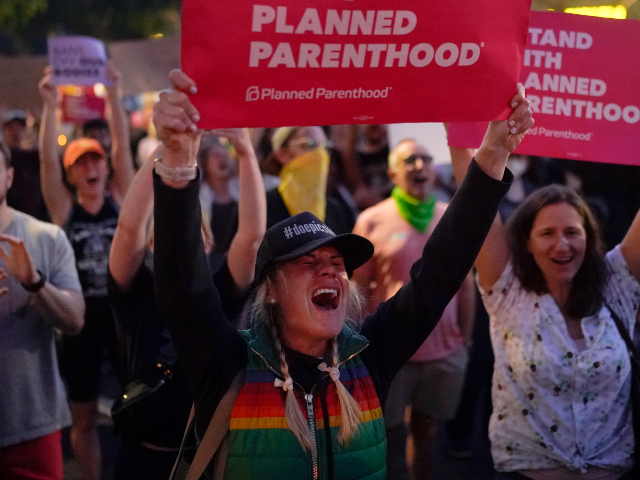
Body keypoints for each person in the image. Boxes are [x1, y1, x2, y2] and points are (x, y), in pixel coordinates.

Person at [150, 69, 532, 479]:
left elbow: (441, 269)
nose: (330, 273)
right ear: (273, 289)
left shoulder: (368, 357)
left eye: (337, 265)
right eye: (309, 264)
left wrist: (492, 154)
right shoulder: (229, 364)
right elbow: (183, 289)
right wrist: (176, 162)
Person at [450, 146, 640, 479]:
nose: (562, 245)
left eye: (572, 232)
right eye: (547, 234)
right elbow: (475, 201)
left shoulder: (617, 284)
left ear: (589, 237)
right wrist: (457, 135)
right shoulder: (508, 291)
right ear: (527, 242)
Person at [107, 127, 265, 479]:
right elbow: (129, 227)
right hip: (141, 458)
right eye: (163, 235)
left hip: (203, 457)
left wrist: (244, 151)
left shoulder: (218, 291)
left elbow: (252, 235)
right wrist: (167, 147)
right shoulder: (135, 288)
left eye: (191, 235)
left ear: (207, 243)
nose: (176, 245)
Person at [352, 138, 476, 480]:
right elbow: (357, 290)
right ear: (392, 172)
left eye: (425, 159)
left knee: (427, 431)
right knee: (384, 436)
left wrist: (465, 340)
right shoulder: (371, 221)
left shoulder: (452, 217)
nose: (419, 165)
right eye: (409, 160)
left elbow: (467, 285)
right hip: (388, 354)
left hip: (443, 353)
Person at [38, 64, 135, 480]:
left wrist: (113, 94)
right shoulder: (65, 210)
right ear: (71, 173)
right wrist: (47, 105)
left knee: (137, 408)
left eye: (95, 160)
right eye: (80, 163)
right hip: (80, 322)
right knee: (83, 415)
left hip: (121, 316)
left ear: (105, 168)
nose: (90, 168)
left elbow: (124, 151)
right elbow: (44, 158)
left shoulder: (119, 198)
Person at [0, 142, 85, 480]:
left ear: (8, 177)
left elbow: (75, 320)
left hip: (31, 421)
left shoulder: (46, 238)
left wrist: (35, 283)